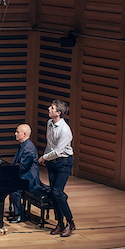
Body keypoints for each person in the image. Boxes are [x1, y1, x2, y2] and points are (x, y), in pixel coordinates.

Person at [38, 99, 75, 237]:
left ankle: (70, 223)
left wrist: (43, 158)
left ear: (58, 113)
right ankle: (59, 223)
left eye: (52, 108)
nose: (49, 109)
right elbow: (50, 144)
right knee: (54, 194)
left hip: (63, 162)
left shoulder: (65, 130)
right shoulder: (49, 123)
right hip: (52, 162)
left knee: (57, 192)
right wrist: (46, 157)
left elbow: (59, 151)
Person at [8, 123, 41, 223]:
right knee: (4, 184)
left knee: (14, 190)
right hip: (24, 175)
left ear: (25, 134)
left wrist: (10, 173)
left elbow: (23, 167)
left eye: (18, 132)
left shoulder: (28, 148)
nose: (15, 134)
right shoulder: (24, 145)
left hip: (29, 178)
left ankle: (20, 215)